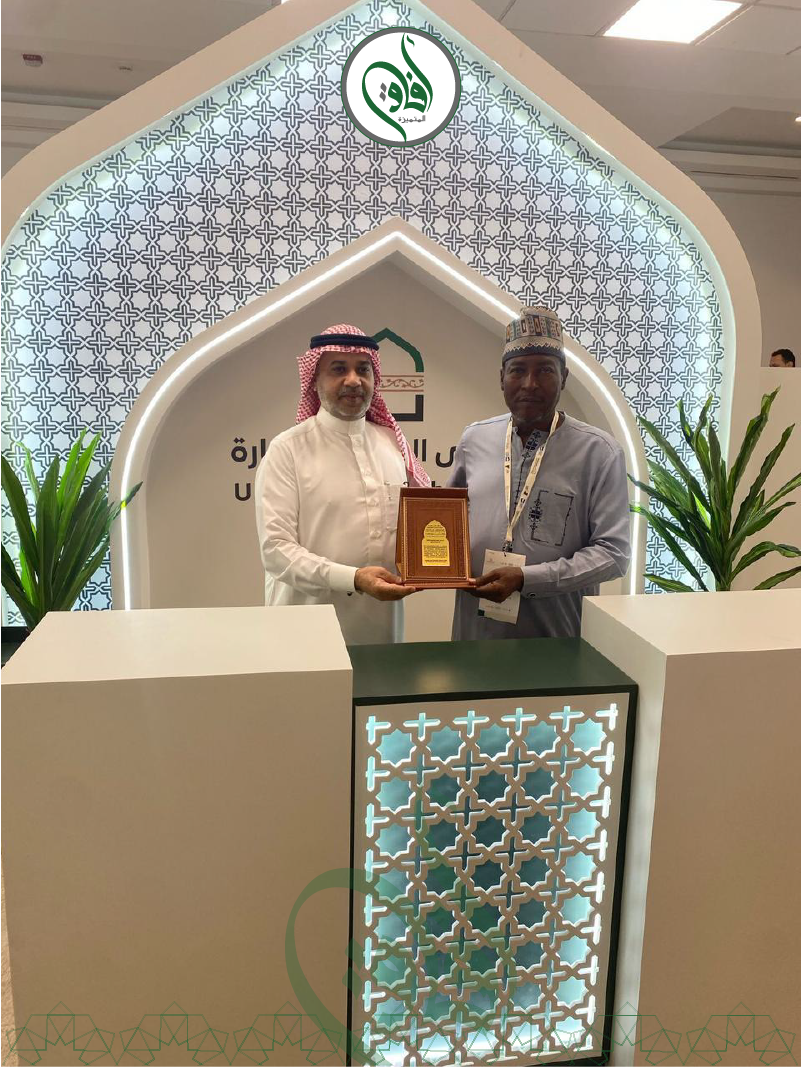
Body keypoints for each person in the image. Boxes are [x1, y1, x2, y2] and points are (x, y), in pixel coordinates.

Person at [449, 306, 631, 640]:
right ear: (501, 378)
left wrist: (527, 579)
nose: (530, 384)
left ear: (564, 377)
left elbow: (614, 555)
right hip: (475, 634)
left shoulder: (599, 453)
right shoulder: (474, 439)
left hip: (556, 640)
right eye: (517, 370)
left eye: (545, 370)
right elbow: (449, 521)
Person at [254, 323, 430, 645]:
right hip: (307, 634)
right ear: (314, 379)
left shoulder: (393, 444)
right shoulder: (287, 450)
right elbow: (276, 551)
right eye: (338, 369)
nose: (353, 380)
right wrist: (354, 578)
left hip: (382, 631)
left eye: (363, 369)